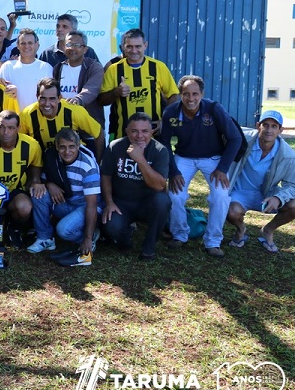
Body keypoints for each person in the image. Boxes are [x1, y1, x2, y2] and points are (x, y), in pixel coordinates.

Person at [158, 75, 242, 258]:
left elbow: (235, 138)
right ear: (180, 95)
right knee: (175, 195)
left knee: (220, 196)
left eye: (195, 93)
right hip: (184, 157)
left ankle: (213, 241)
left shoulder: (213, 109)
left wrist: (222, 168)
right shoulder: (171, 112)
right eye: (186, 94)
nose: (191, 98)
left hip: (213, 159)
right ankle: (180, 234)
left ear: (202, 94)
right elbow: (164, 143)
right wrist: (173, 172)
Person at [100, 112, 171, 261]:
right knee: (111, 227)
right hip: (122, 203)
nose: (140, 136)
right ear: (127, 131)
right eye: (134, 131)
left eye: (145, 131)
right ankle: (126, 234)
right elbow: (105, 176)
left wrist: (140, 160)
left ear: (152, 132)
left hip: (147, 203)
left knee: (163, 201)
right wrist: (109, 202)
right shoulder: (115, 147)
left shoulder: (160, 151)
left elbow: (159, 186)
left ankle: (149, 247)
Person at [226, 110, 295, 254]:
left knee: (294, 206)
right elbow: (224, 129)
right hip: (239, 192)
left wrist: (278, 198)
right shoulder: (243, 138)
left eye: (274, 126)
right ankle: (241, 229)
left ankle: (268, 230)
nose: (269, 130)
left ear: (280, 130)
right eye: (266, 125)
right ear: (258, 126)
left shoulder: (288, 155)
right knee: (230, 212)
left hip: (266, 194)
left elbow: (292, 185)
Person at [30, 128, 101, 266]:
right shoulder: (52, 157)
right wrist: (49, 184)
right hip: (66, 202)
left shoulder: (87, 166)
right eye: (62, 147)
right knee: (38, 192)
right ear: (57, 147)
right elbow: (44, 179)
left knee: (63, 230)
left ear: (78, 145)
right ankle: (45, 238)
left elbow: (92, 204)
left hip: (85, 206)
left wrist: (86, 238)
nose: (67, 152)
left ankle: (90, 237)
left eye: (71, 147)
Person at [0, 110, 43, 247]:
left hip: (15, 191)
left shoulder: (31, 145)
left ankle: (13, 228)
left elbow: (36, 165)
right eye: (2, 127)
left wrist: (35, 180)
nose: (6, 132)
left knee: (24, 207)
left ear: (18, 128)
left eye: (11, 128)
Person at [97, 28, 179, 139]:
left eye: (138, 46)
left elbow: (173, 95)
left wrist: (164, 120)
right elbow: (101, 100)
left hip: (154, 134)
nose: (134, 50)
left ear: (145, 45)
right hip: (123, 134)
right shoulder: (113, 69)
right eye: (129, 46)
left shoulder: (158, 67)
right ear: (123, 47)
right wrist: (116, 92)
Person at [20, 77, 104, 159]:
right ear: (37, 96)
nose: (47, 104)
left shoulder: (74, 111)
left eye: (52, 99)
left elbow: (98, 132)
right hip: (45, 161)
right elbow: (17, 140)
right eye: (43, 99)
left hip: (74, 158)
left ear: (59, 98)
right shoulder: (27, 114)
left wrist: (99, 161)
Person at [53, 30, 105, 132]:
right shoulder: (58, 68)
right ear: (64, 47)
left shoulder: (94, 67)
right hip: (63, 127)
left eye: (76, 45)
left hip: (88, 128)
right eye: (69, 44)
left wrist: (78, 100)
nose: (72, 48)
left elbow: (91, 89)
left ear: (85, 49)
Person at [0, 28, 53, 110]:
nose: (26, 46)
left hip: (38, 118)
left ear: (37, 45)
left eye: (30, 43)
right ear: (18, 45)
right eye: (23, 43)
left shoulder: (46, 68)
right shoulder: (7, 67)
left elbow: (51, 96)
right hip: (13, 120)